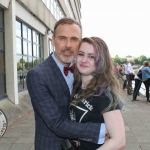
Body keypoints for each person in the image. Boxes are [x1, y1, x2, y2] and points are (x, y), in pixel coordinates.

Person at [26, 17, 106, 150]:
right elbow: (56, 123)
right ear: (53, 40)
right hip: (52, 145)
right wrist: (102, 130)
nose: (68, 45)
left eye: (74, 39)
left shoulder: (83, 69)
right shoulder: (37, 75)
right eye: (62, 38)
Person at [70, 37, 126, 150]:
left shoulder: (105, 94)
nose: (84, 60)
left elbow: (119, 140)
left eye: (91, 56)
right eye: (81, 54)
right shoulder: (75, 84)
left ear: (101, 60)